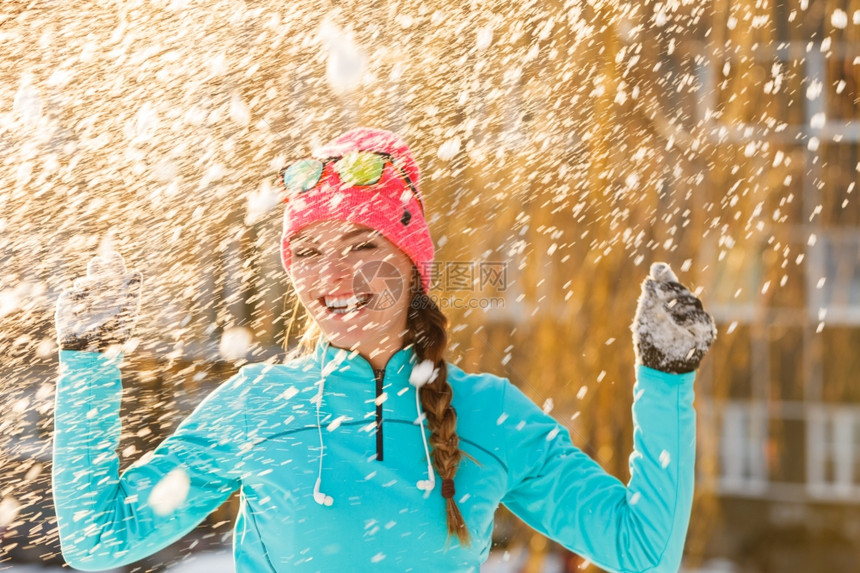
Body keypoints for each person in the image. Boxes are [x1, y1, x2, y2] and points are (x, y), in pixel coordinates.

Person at [53, 127, 716, 572]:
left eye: (363, 246)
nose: (333, 277)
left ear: (412, 264)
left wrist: (666, 377)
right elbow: (98, 536)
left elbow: (641, 550)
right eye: (308, 252)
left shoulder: (488, 415)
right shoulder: (257, 407)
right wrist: (88, 360)